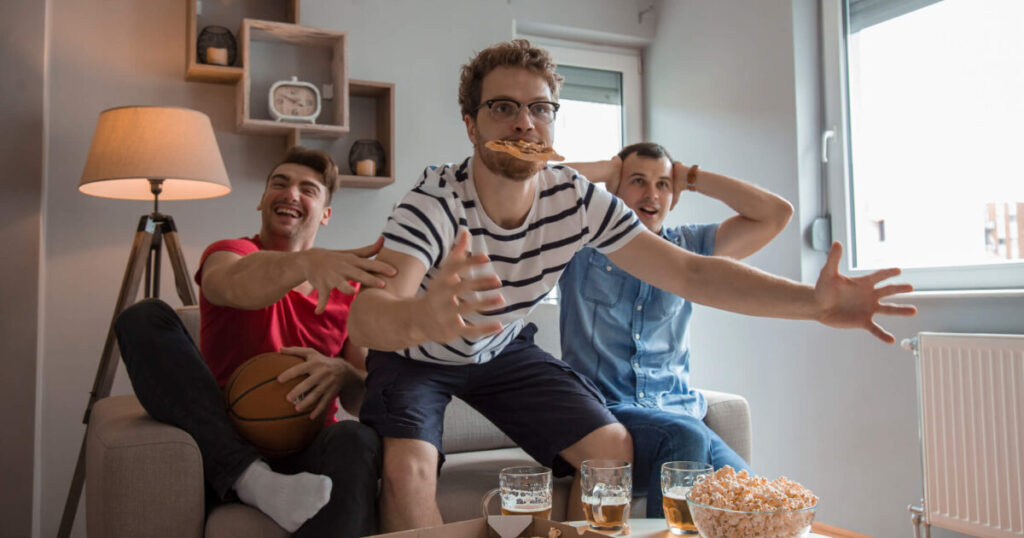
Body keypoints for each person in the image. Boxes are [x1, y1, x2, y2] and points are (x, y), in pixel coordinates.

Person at [346, 39, 915, 533]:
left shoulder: (574, 199)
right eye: (503, 108)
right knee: (407, 470)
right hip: (417, 356)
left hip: (501, 349)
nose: (524, 123)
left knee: (610, 445)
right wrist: (423, 318)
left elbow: (690, 271)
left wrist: (813, 303)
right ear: (471, 124)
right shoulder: (435, 201)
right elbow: (368, 316)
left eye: (540, 108)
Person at [113, 146, 395, 537]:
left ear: (325, 215)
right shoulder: (231, 253)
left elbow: (363, 398)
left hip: (306, 446)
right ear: (262, 200)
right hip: (224, 440)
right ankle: (250, 479)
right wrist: (306, 262)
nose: (291, 193)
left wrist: (343, 373)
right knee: (142, 317)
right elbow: (230, 285)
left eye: (308, 189)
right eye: (280, 183)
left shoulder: (348, 291)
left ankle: (266, 486)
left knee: (356, 437)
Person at [561, 142, 793, 517]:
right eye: (638, 181)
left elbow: (776, 215)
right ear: (615, 188)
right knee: (685, 435)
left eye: (663, 184)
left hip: (678, 413)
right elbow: (536, 189)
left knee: (761, 504)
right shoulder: (580, 245)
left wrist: (692, 178)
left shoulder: (689, 248)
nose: (651, 195)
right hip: (607, 415)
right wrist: (606, 170)